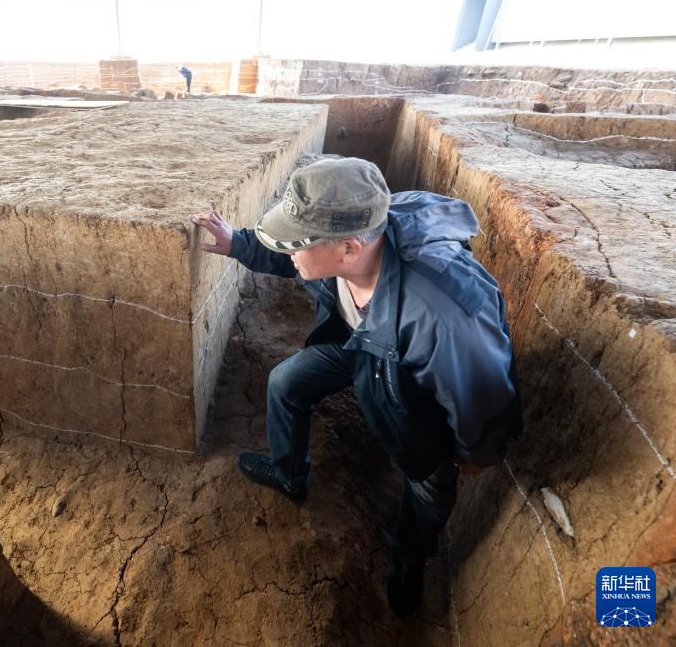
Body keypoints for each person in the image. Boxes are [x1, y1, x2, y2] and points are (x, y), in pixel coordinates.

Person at [192, 157, 521, 617]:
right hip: (363, 343)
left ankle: (409, 561)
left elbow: (482, 397)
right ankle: (290, 476)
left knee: (428, 483)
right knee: (286, 382)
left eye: (297, 242)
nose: (290, 251)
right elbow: (295, 257)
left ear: (349, 249)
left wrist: (474, 452)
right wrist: (238, 243)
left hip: (412, 388)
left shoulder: (443, 315)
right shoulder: (354, 232)